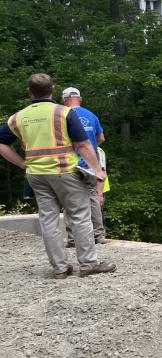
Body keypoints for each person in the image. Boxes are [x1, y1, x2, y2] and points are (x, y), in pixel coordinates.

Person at [0, 73, 116, 278]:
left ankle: (60, 268)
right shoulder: (64, 113)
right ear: (52, 89)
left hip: (36, 174)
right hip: (65, 172)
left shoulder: (18, 117)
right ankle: (88, 264)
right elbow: (83, 144)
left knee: (48, 220)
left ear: (29, 92)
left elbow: (2, 143)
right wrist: (97, 170)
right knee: (80, 216)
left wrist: (22, 163)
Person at [60, 86, 107, 245]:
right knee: (93, 197)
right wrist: (91, 149)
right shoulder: (91, 115)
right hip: (90, 165)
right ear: (80, 98)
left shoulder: (63, 115)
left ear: (64, 100)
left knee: (69, 199)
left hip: (70, 164)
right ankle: (98, 235)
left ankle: (73, 238)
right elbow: (101, 138)